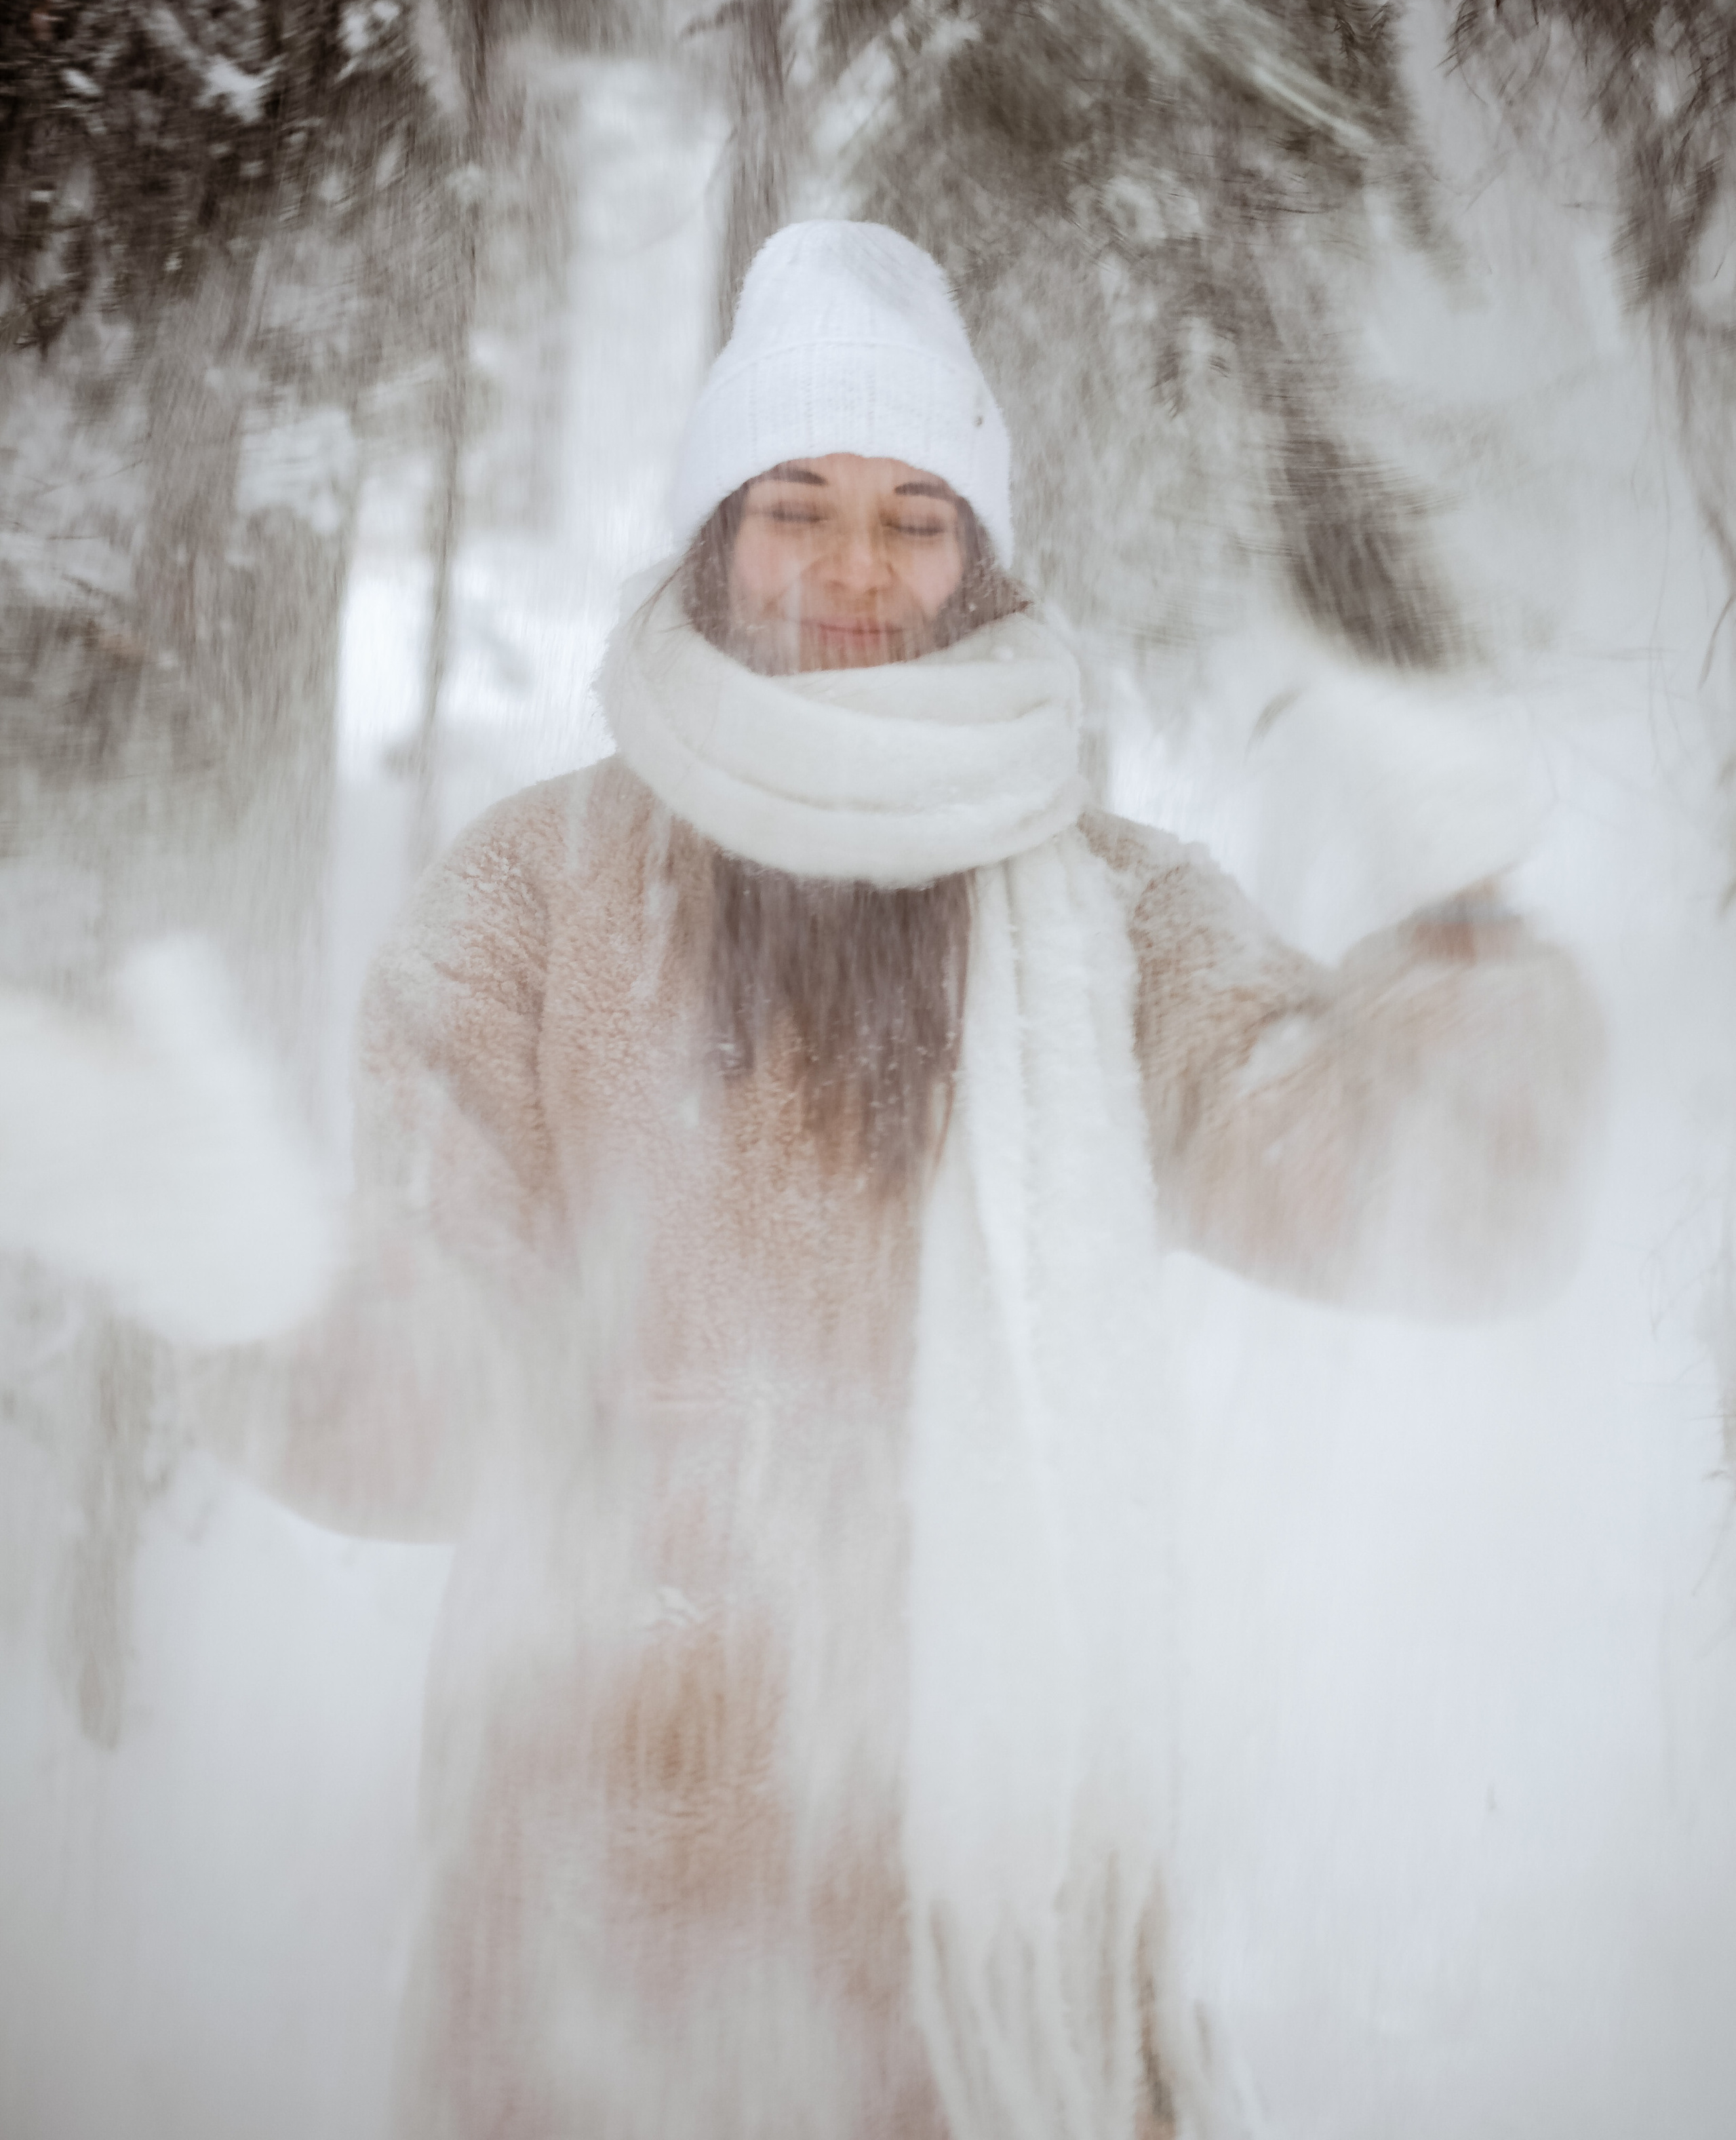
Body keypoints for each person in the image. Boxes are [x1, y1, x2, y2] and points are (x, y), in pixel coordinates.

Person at [201, 221, 1598, 2140]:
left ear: (980, 557)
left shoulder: (1113, 915)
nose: (856, 569)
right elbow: (436, 1422)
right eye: (798, 506)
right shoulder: (529, 898)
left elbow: (1424, 1210)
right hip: (595, 1906)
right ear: (715, 533)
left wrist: (1465, 922)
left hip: (976, 1939)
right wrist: (245, 1282)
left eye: (914, 518)